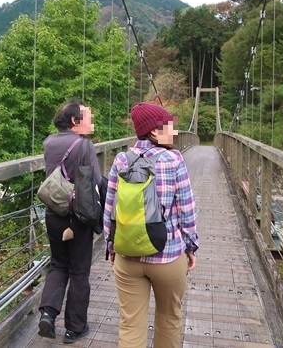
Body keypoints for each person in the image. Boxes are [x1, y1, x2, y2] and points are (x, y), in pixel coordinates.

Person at [103, 102, 199, 348]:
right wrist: (191, 247)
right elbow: (186, 210)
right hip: (167, 255)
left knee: (130, 324)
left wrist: (111, 246)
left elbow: (110, 209)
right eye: (170, 126)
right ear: (154, 132)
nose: (175, 131)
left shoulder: (121, 160)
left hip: (127, 257)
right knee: (169, 319)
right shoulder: (174, 159)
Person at [38, 100, 102, 343]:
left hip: (54, 213)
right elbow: (95, 180)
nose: (92, 122)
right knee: (78, 271)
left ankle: (47, 313)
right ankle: (75, 328)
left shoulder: (48, 142)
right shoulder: (84, 145)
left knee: (58, 265)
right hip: (78, 216)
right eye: (88, 117)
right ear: (75, 121)